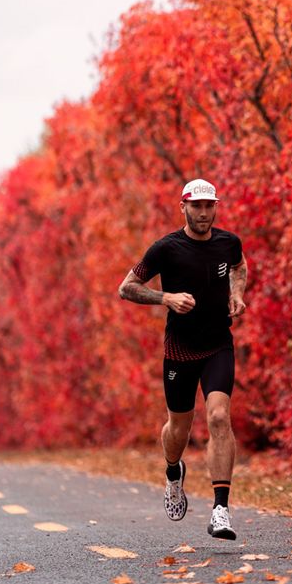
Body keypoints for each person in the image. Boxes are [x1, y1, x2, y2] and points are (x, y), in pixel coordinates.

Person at [118, 178, 247, 540]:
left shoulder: (228, 242)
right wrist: (166, 298)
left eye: (209, 206)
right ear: (183, 207)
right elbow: (126, 287)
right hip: (180, 350)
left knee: (220, 416)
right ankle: (174, 472)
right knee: (179, 428)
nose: (203, 213)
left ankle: (221, 509)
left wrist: (236, 295)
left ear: (215, 207)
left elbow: (239, 266)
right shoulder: (166, 249)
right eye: (197, 206)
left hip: (219, 343)